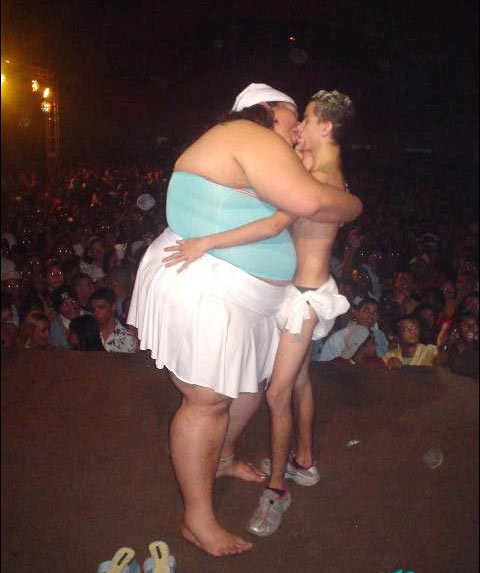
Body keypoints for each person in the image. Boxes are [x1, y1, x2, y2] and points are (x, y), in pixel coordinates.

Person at [142, 84, 361, 553]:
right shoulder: (250, 132)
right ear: (267, 110)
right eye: (292, 113)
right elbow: (311, 203)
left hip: (249, 299)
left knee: (245, 387)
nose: (296, 126)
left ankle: (221, 459)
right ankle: (198, 520)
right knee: (207, 400)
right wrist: (355, 204)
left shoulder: (266, 153)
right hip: (211, 290)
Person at [382, 315, 448, 368]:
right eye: (405, 329)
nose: (412, 331)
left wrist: (441, 347)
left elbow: (441, 360)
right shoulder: (390, 355)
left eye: (414, 328)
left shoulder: (428, 350)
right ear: (397, 337)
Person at [90, 287, 138, 353]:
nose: (96, 312)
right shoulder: (89, 333)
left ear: (113, 306)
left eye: (101, 307)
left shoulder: (127, 337)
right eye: (93, 309)